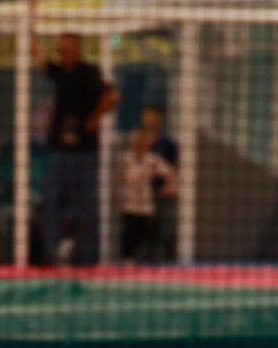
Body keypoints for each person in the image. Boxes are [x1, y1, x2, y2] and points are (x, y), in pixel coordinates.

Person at [39, 33, 115, 265]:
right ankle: (50, 254)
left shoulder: (88, 74)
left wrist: (95, 118)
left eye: (67, 48)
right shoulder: (61, 73)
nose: (63, 52)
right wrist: (32, 28)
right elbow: (41, 59)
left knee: (86, 207)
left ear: (77, 49)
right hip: (59, 152)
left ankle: (87, 257)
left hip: (83, 154)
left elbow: (112, 95)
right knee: (51, 201)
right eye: (60, 48)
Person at [119, 122, 180, 262]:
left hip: (145, 205)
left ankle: (144, 262)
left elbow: (170, 172)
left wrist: (171, 186)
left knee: (145, 235)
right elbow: (119, 176)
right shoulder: (127, 158)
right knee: (128, 235)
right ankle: (127, 261)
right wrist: (117, 192)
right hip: (129, 204)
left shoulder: (152, 160)